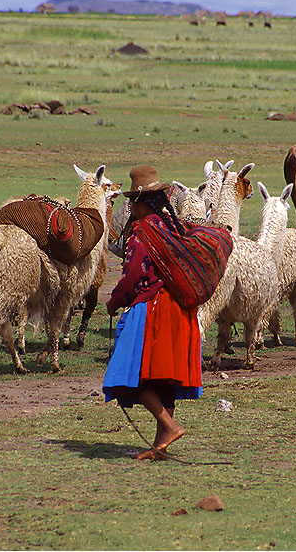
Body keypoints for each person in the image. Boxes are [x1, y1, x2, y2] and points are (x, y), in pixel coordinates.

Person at [103, 165, 203, 461]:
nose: (130, 208)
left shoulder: (142, 232)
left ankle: (170, 427)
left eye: (133, 202)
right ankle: (160, 446)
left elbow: (134, 274)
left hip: (153, 310)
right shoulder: (171, 227)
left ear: (142, 202)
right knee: (164, 379)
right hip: (180, 311)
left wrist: (115, 300)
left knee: (134, 376)